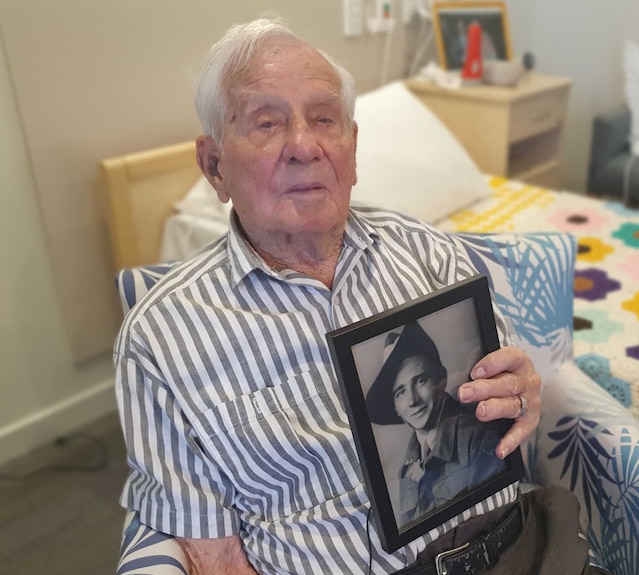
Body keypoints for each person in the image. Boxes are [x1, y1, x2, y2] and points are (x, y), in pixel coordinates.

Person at [115, 17, 591, 575]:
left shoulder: (431, 254)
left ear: (353, 148)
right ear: (214, 166)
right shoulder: (162, 337)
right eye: (267, 123)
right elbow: (214, 558)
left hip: (515, 550)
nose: (304, 145)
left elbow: (510, 403)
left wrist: (523, 392)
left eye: (324, 119)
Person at [365, 322, 508, 525]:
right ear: (396, 408)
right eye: (401, 392)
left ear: (441, 378)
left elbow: (492, 515)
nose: (412, 400)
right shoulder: (407, 468)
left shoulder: (477, 434)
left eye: (420, 381)